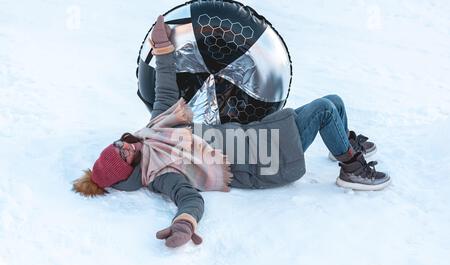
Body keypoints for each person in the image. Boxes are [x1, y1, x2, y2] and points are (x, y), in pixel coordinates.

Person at [73, 16, 390, 248]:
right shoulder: (161, 174)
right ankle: (351, 168)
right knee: (323, 109)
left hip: (255, 135)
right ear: (128, 170)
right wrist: (184, 225)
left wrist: (162, 46)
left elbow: (165, 87)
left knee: (333, 101)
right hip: (264, 158)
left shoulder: (155, 131)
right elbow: (188, 198)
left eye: (118, 145)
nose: (125, 146)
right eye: (122, 155)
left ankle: (342, 141)